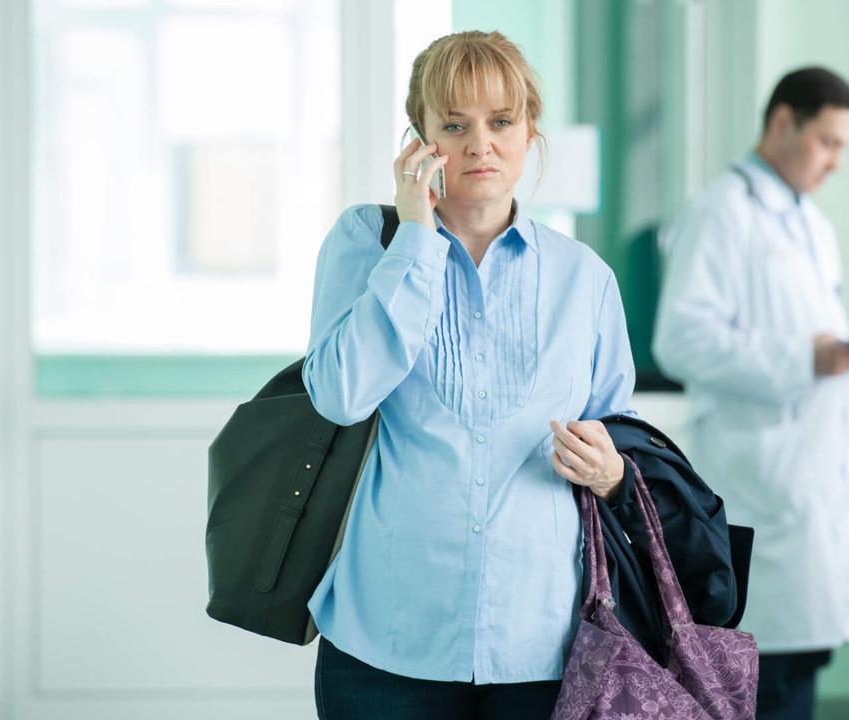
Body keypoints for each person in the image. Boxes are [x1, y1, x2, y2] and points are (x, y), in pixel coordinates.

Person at [301, 31, 636, 719]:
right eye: (454, 124)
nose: (479, 143)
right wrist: (417, 241)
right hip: (386, 642)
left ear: (529, 131)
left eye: (501, 121)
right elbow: (338, 397)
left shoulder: (586, 279)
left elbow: (622, 443)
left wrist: (609, 471)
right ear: (420, 138)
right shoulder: (367, 243)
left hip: (540, 650)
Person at [652, 66, 849, 720]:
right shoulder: (722, 211)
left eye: (845, 148)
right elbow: (681, 339)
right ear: (782, 123)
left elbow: (822, 358)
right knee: (763, 687)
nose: (837, 162)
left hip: (810, 494)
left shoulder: (812, 225)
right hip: (762, 488)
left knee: (797, 676)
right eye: (828, 143)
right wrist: (811, 357)